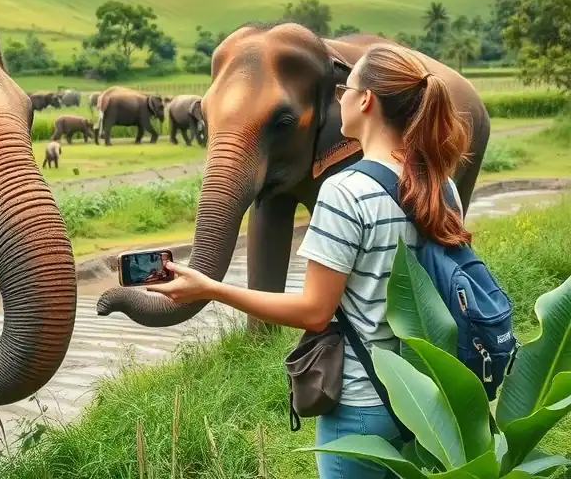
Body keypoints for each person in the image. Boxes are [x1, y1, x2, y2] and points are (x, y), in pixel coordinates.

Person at [147, 43, 472, 478]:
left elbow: (314, 312)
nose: (340, 100)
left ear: (366, 101)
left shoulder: (345, 192)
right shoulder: (441, 186)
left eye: (345, 90)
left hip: (362, 404)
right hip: (426, 398)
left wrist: (212, 289)